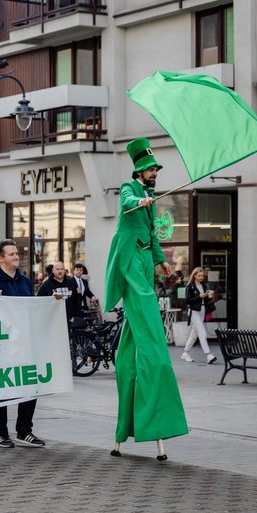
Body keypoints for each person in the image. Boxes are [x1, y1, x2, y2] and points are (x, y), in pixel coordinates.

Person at [103, 138, 187, 460]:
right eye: (152, 169)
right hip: (126, 259)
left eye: (156, 169)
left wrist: (161, 260)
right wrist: (138, 202)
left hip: (143, 260)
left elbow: (151, 234)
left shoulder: (151, 195)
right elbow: (125, 201)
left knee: (130, 355)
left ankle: (126, 430)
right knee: (148, 315)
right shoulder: (131, 187)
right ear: (141, 170)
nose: (155, 173)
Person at [0, 240, 46, 449]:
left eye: (17, 253)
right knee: (0, 389)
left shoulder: (25, 281)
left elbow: (31, 308)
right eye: (11, 254)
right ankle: (0, 433)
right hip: (1, 346)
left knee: (29, 385)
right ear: (0, 258)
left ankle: (24, 431)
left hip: (24, 343)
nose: (16, 257)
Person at [180, 267, 217, 364]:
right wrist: (199, 297)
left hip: (202, 310)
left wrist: (210, 295)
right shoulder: (190, 286)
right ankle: (208, 355)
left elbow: (206, 300)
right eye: (199, 275)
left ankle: (185, 353)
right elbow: (187, 301)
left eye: (202, 276)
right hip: (194, 311)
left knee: (194, 335)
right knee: (202, 333)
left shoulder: (204, 286)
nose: (201, 277)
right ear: (195, 276)